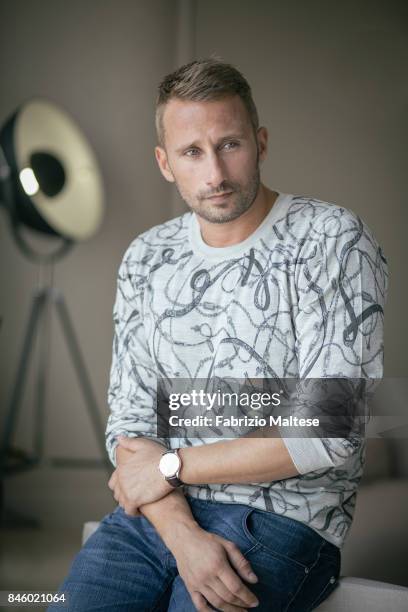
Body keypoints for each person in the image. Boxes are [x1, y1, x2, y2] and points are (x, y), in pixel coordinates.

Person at [48, 58, 388, 611]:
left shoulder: (333, 240)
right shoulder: (146, 257)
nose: (215, 174)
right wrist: (183, 535)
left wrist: (170, 466)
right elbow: (131, 427)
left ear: (260, 142)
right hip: (158, 519)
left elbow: (331, 428)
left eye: (229, 144)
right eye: (191, 153)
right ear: (165, 162)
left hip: (281, 523)